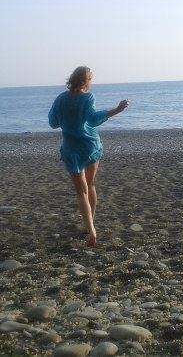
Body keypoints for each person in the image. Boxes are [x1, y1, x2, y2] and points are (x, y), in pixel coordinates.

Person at [48, 66, 129, 246]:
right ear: (85, 81)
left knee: (81, 192)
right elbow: (92, 120)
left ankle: (90, 228)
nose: (91, 83)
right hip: (89, 146)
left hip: (71, 148)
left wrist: (67, 118)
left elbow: (53, 123)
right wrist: (117, 110)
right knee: (90, 185)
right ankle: (90, 223)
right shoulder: (88, 97)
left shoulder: (60, 98)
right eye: (90, 79)